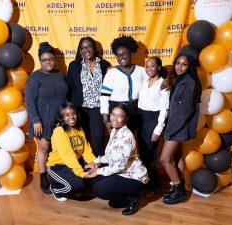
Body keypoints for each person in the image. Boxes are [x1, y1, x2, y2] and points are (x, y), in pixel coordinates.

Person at [86, 104, 148, 216]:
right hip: (120, 172)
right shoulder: (114, 130)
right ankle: (120, 195)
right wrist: (96, 162)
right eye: (113, 114)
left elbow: (119, 166)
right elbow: (110, 155)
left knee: (98, 189)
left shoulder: (126, 136)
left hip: (133, 176)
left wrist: (98, 171)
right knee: (91, 178)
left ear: (126, 119)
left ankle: (131, 199)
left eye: (120, 116)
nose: (114, 118)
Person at [25, 42, 69, 194]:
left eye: (50, 59)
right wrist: (36, 120)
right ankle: (44, 180)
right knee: (44, 149)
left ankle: (57, 176)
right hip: (42, 119)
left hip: (60, 118)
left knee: (60, 149)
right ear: (40, 61)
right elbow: (29, 101)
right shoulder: (35, 77)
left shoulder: (60, 74)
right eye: (44, 60)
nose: (48, 62)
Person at [159, 53, 202, 204]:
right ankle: (179, 187)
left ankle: (180, 191)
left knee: (164, 159)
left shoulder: (189, 83)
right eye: (178, 63)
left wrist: (169, 131)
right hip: (177, 126)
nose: (179, 67)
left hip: (178, 127)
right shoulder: (179, 79)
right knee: (177, 157)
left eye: (184, 64)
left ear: (189, 66)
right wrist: (168, 78)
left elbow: (183, 112)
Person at [67, 37, 110, 156]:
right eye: (83, 47)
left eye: (89, 46)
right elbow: (70, 87)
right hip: (80, 108)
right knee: (82, 139)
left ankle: (100, 163)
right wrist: (70, 109)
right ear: (80, 50)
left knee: (97, 138)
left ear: (94, 48)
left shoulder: (104, 64)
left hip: (97, 107)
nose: (86, 49)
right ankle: (84, 165)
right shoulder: (74, 65)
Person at [47, 102, 96, 201]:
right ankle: (56, 188)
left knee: (96, 174)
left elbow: (86, 149)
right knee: (77, 188)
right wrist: (80, 172)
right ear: (62, 117)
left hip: (72, 164)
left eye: (73, 114)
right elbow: (67, 155)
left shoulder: (79, 129)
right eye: (67, 115)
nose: (71, 117)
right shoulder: (59, 131)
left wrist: (93, 163)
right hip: (57, 166)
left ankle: (76, 179)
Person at [138, 56, 170, 197]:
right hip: (141, 119)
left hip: (153, 120)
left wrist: (158, 129)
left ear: (159, 67)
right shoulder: (144, 81)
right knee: (143, 153)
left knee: (150, 156)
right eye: (147, 66)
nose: (149, 68)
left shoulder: (163, 85)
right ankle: (145, 182)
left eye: (152, 66)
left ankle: (153, 186)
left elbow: (164, 109)